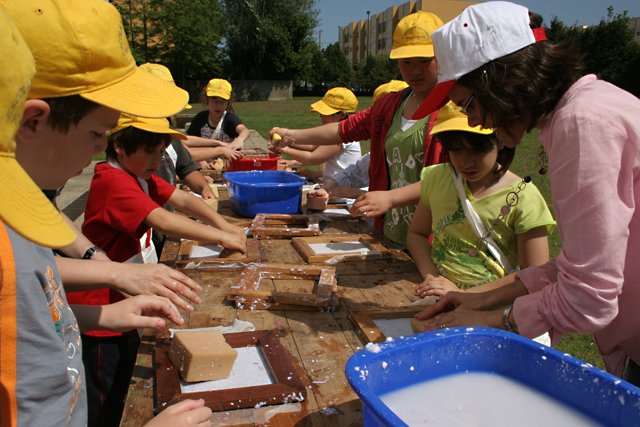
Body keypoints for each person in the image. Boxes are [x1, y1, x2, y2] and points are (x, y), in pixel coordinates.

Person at [0, 1, 212, 426]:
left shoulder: (22, 201)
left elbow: (29, 318)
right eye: (97, 133)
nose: (102, 147)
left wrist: (101, 313)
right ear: (32, 122)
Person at [413, 1, 640, 385]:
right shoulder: (593, 104)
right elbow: (575, 266)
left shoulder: (582, 124)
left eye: (467, 102)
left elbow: (588, 296)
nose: (471, 120)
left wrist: (489, 321)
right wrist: (478, 297)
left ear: (500, 78)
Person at [270, 12, 446, 247]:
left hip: (435, 240)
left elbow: (452, 176)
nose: (415, 70)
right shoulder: (390, 105)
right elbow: (342, 130)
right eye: (406, 62)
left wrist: (391, 198)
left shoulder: (455, 108)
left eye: (424, 61)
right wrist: (291, 135)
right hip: (391, 233)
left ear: (442, 55)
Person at [407, 101, 555, 297]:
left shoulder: (525, 197)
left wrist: (463, 295)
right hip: (439, 299)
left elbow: (536, 274)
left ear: (500, 140)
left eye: (478, 150)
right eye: (456, 149)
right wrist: (432, 278)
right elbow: (416, 234)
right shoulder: (436, 178)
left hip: (493, 312)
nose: (465, 162)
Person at [308, 81, 409, 200]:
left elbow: (411, 196)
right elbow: (351, 173)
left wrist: (359, 194)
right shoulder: (378, 153)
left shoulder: (414, 153)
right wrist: (325, 189)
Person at [272, 87, 362, 184]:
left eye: (326, 115)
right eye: (321, 115)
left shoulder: (342, 136)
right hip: (336, 190)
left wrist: (283, 149)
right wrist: (288, 141)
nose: (322, 119)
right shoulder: (336, 134)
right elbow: (312, 146)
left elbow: (313, 158)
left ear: (342, 115)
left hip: (345, 195)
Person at [185, 78, 250, 151]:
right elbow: (190, 144)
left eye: (223, 102)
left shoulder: (229, 118)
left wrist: (239, 140)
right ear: (206, 99)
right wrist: (204, 162)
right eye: (214, 101)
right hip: (203, 160)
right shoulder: (200, 118)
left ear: (228, 102)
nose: (218, 106)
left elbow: (244, 130)